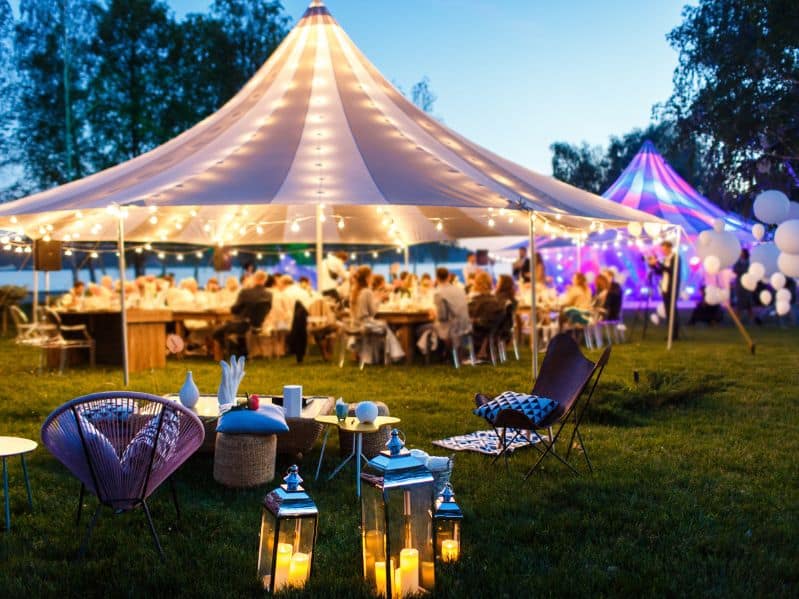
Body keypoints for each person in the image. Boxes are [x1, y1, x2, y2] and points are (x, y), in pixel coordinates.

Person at [212, 271, 272, 361]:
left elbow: (234, 309)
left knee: (216, 332)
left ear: (254, 279)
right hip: (258, 325)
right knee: (237, 332)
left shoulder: (245, 292)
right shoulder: (269, 294)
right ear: (265, 280)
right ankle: (241, 351)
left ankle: (232, 350)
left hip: (241, 324)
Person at [349, 266, 403, 363]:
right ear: (367, 278)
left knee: (384, 325)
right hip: (364, 324)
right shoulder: (367, 291)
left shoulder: (355, 290)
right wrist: (379, 299)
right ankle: (394, 355)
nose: (372, 278)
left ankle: (387, 355)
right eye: (371, 276)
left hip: (355, 324)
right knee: (385, 325)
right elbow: (373, 312)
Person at [647, 240, 681, 340]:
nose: (664, 251)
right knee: (668, 311)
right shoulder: (666, 259)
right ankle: (670, 333)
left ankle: (674, 334)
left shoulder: (675, 258)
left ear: (670, 248)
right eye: (663, 249)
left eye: (665, 249)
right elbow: (661, 272)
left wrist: (658, 262)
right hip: (665, 288)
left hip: (672, 288)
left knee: (672, 311)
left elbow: (671, 271)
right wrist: (653, 265)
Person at [468, 271, 503, 357]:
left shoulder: (476, 300)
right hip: (491, 330)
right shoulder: (494, 299)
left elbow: (470, 316)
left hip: (478, 329)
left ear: (476, 283)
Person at [733, 248, 755, 323]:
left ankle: (751, 319)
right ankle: (738, 320)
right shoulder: (738, 262)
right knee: (739, 303)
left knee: (749, 304)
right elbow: (735, 270)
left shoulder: (749, 262)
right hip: (739, 286)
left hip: (747, 285)